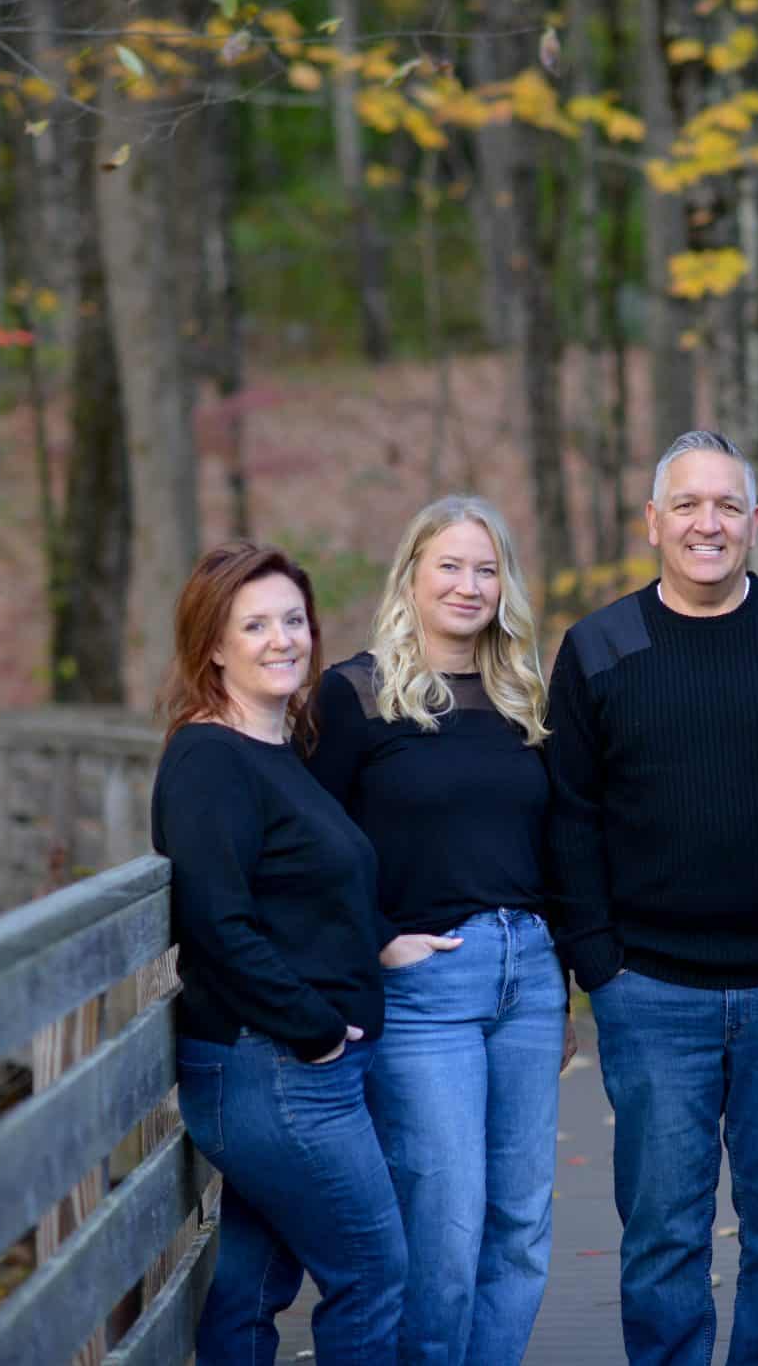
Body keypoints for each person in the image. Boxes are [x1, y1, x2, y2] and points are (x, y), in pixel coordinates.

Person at [546, 430, 758, 1366]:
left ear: (756, 523)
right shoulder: (599, 648)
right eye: (687, 504)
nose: (708, 523)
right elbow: (570, 816)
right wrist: (599, 963)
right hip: (650, 989)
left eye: (728, 505)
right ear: (652, 522)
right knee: (660, 1239)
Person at [303, 496, 570, 1366]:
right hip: (426, 986)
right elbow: (309, 845)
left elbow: (552, 846)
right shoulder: (355, 695)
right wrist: (378, 937)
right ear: (411, 575)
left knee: (521, 1227)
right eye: (449, 565)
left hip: (526, 974)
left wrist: (560, 976)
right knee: (445, 1231)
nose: (469, 584)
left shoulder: (524, 696)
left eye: (486, 568)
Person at [150, 541, 406, 1365]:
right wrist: (318, 1029)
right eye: (253, 624)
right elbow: (217, 924)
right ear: (213, 645)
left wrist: (380, 945)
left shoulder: (278, 748)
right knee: (373, 1272)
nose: (281, 639)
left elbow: (303, 895)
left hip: (296, 1066)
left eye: (292, 619)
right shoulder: (207, 759)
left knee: (251, 1288)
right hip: (277, 1067)